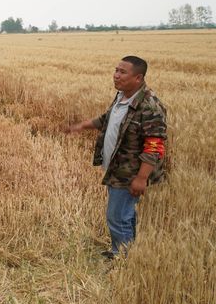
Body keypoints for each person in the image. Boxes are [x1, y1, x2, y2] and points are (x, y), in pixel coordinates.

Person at [66, 56, 167, 258]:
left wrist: (141, 178)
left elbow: (154, 146)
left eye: (122, 72)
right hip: (117, 168)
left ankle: (121, 258)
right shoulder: (122, 96)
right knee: (125, 214)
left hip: (130, 173)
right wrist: (83, 126)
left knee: (117, 217)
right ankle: (127, 252)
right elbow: (107, 118)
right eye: (116, 70)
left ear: (138, 78)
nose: (116, 75)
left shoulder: (149, 106)